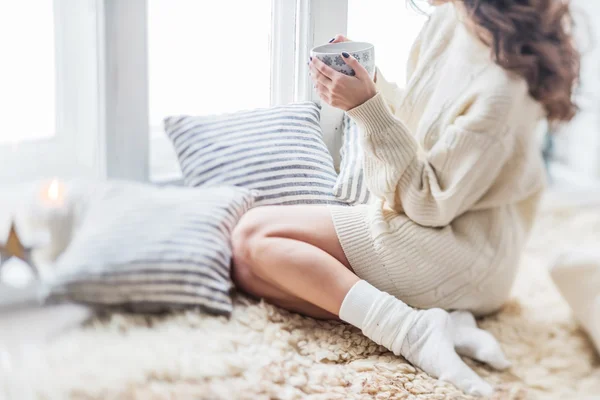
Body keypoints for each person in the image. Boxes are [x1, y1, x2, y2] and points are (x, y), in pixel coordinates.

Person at [231, 0, 579, 396]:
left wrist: (365, 107)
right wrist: (370, 84)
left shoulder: (503, 88)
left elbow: (427, 201)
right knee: (248, 267)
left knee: (254, 240)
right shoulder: (453, 21)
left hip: (466, 251)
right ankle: (431, 321)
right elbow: (420, 130)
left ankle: (412, 333)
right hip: (435, 223)